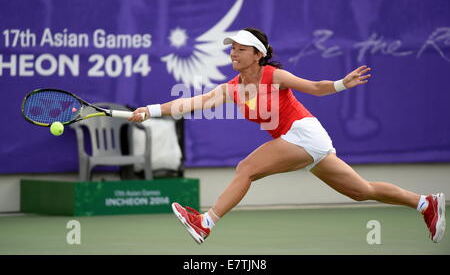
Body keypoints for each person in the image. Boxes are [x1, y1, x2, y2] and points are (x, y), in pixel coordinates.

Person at [128, 27, 446, 244]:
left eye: (241, 49)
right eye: (232, 49)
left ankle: (206, 223)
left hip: (304, 133)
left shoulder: (275, 76)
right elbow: (190, 103)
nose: (234, 54)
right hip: (302, 141)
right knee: (361, 191)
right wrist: (151, 110)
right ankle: (425, 203)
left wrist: (341, 84)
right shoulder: (232, 89)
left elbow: (316, 88)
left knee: (246, 169)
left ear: (258, 54)